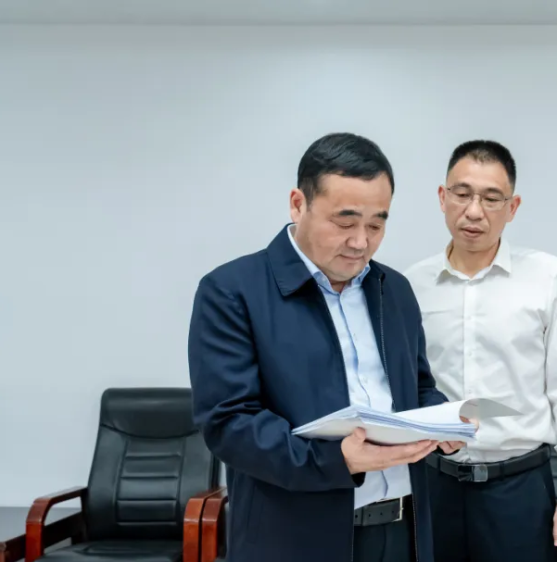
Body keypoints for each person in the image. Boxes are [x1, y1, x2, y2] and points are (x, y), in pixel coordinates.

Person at [188, 132, 460, 562]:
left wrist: (443, 420)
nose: (361, 241)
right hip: (294, 538)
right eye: (345, 222)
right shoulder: (232, 291)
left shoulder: (393, 289)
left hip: (401, 530)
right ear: (298, 204)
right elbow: (229, 423)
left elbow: (418, 386)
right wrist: (336, 459)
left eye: (376, 225)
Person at [404, 140, 557, 562]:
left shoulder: (546, 276)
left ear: (512, 207)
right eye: (462, 193)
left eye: (491, 198)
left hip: (519, 488)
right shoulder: (411, 285)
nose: (474, 211)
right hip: (434, 485)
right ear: (442, 197)